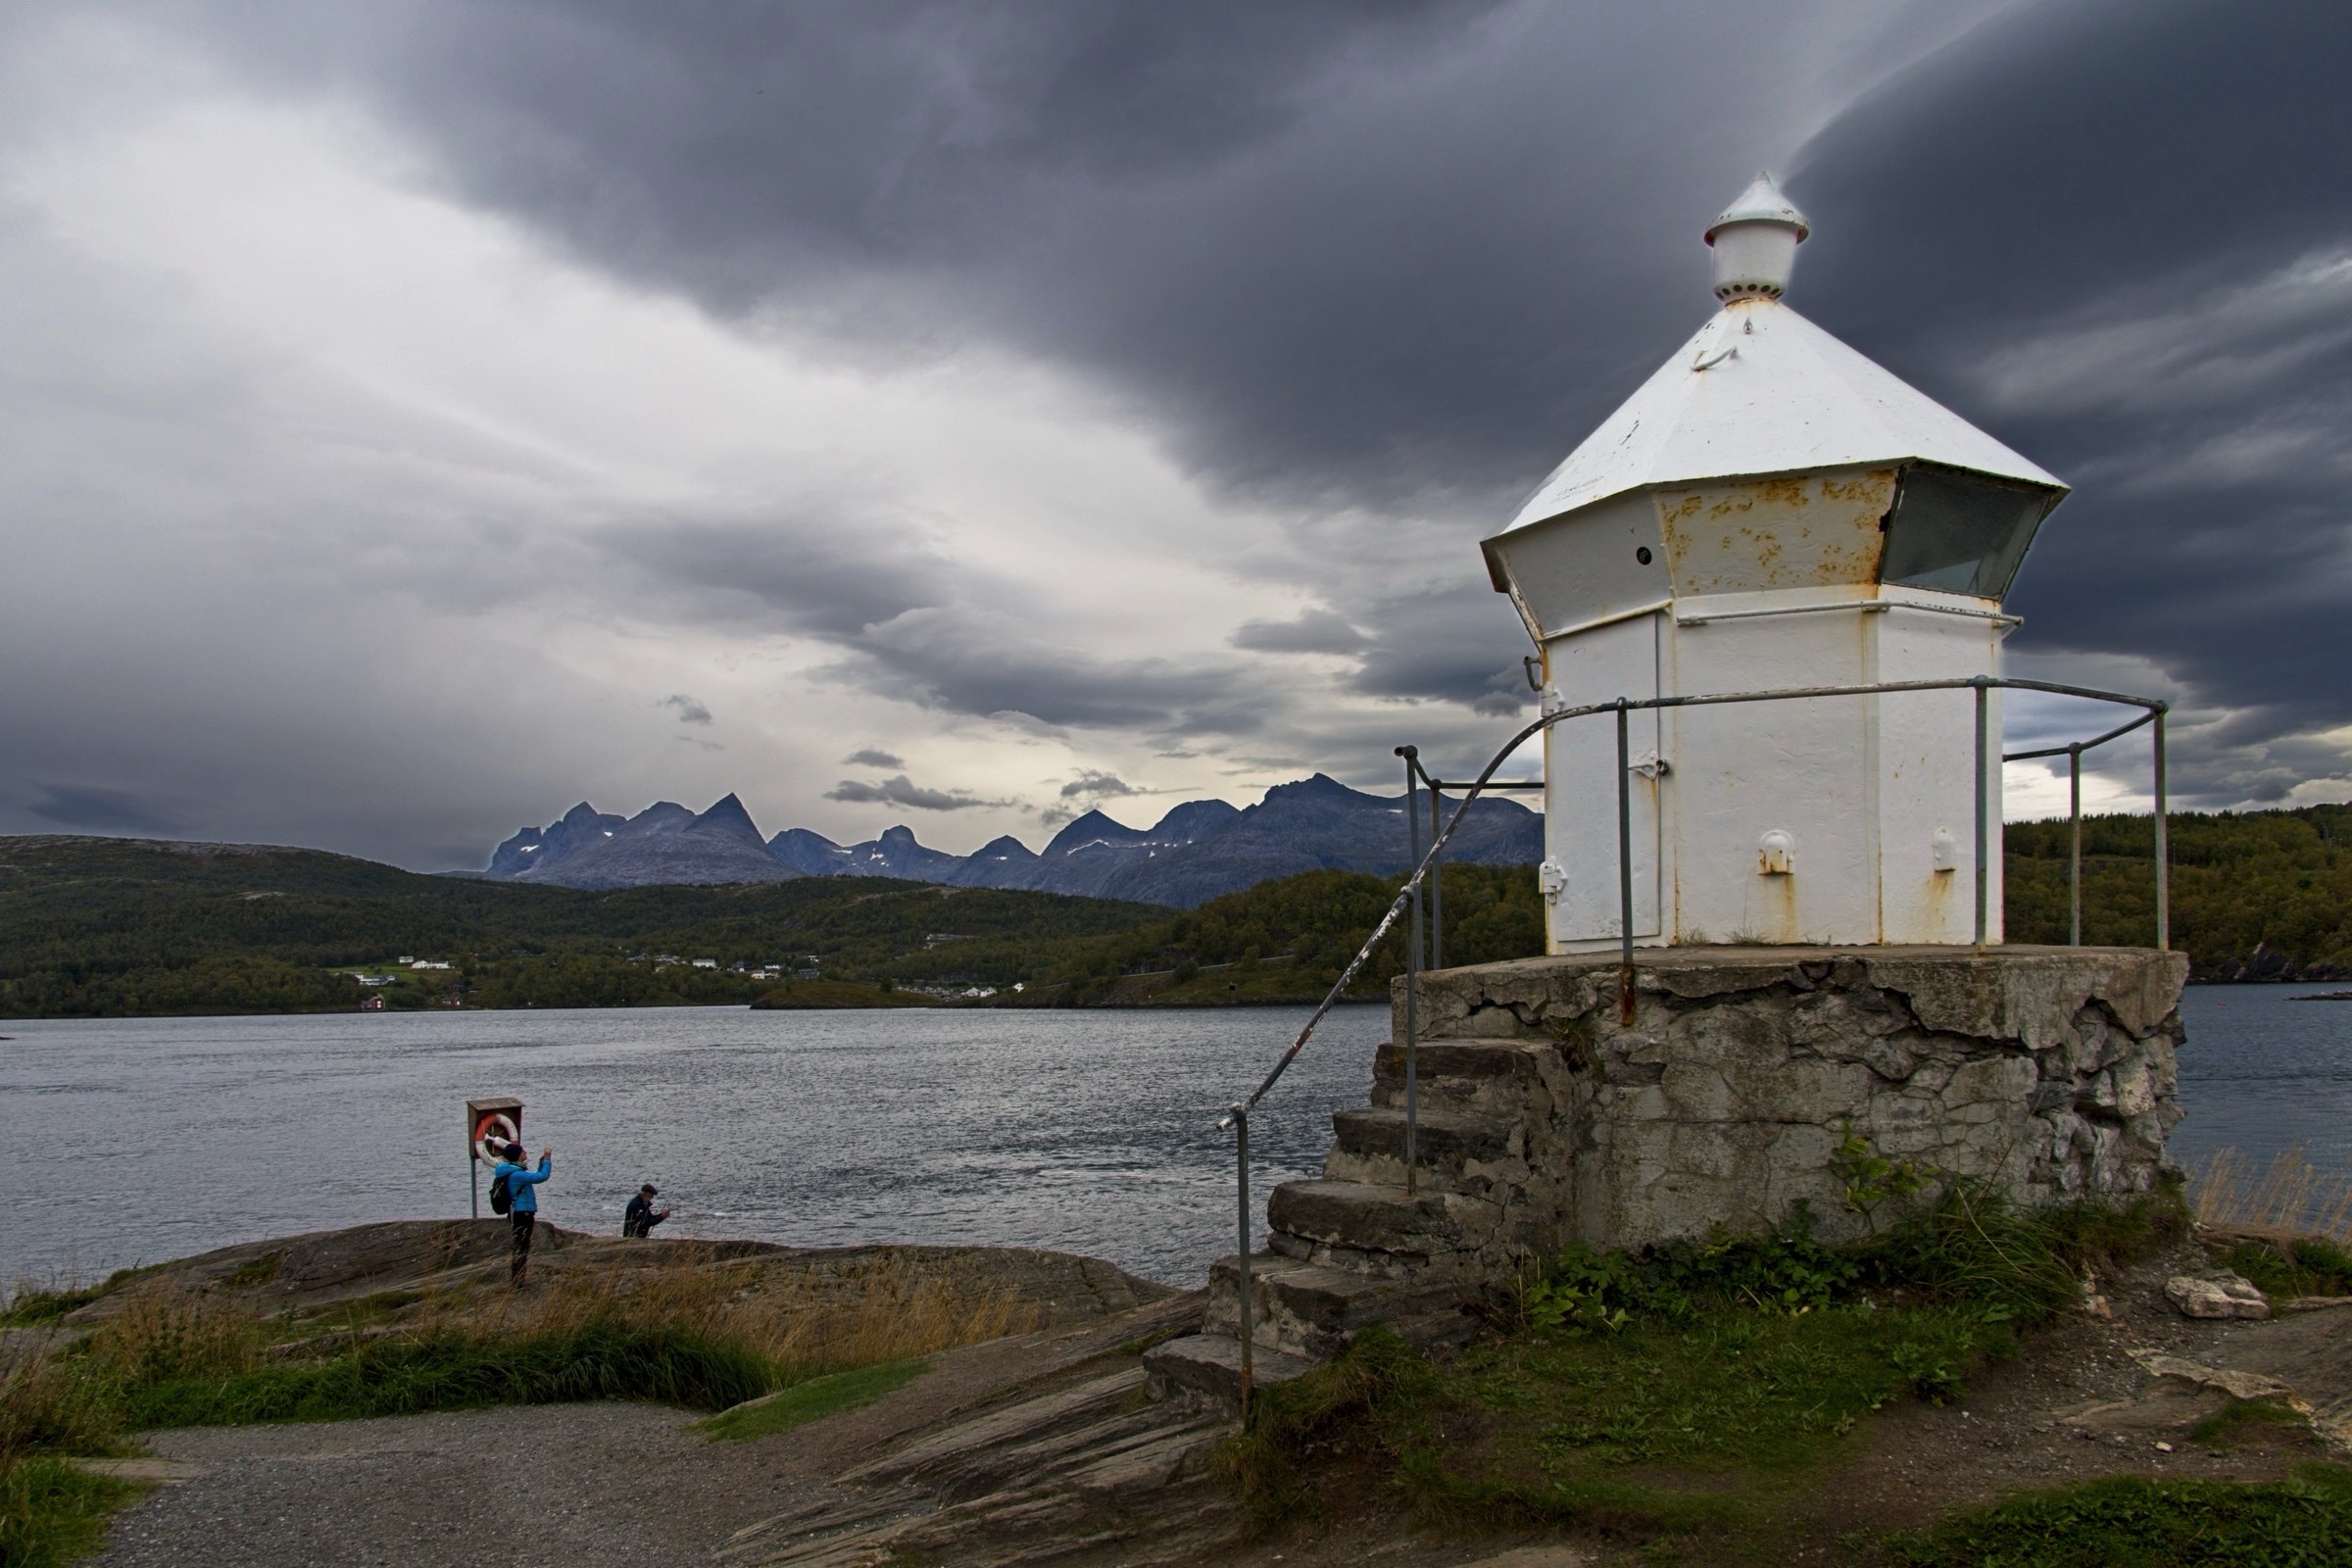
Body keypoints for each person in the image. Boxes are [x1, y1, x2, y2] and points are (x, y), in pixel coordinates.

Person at [492, 1141, 553, 1285]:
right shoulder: (516, 1174)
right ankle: (518, 1281)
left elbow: (536, 1174)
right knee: (521, 1245)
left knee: (521, 1244)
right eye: (522, 1151)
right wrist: (547, 1159)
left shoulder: (509, 1171)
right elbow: (541, 1177)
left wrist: (541, 1162)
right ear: (516, 1155)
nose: (525, 1152)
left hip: (519, 1212)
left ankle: (518, 1279)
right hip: (522, 1212)